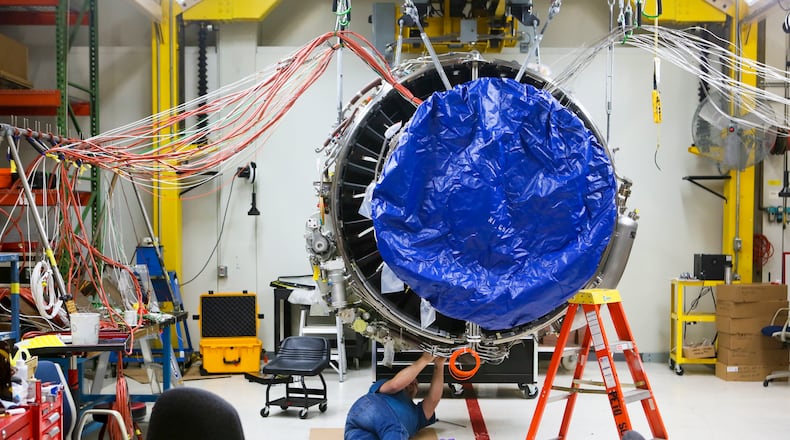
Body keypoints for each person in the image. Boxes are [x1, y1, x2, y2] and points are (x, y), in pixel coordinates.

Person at [345, 352, 446, 439]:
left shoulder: (418, 415)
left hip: (357, 426)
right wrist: (424, 359)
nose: (412, 383)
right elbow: (395, 385)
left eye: (415, 383)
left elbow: (433, 399)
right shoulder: (387, 387)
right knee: (393, 429)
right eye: (410, 380)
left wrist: (439, 365)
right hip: (373, 408)